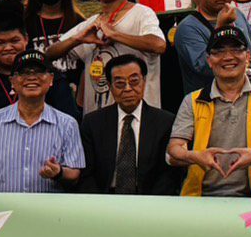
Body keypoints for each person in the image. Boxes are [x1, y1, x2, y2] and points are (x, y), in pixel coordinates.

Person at [169, 26, 251, 198]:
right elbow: (174, 148)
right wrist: (195, 156)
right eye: (219, 51)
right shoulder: (193, 100)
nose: (228, 57)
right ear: (209, 60)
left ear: (247, 56)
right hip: (201, 198)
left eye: (235, 50)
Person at [46, 0, 166, 112]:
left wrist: (115, 34)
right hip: (97, 121)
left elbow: (158, 45)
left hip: (140, 119)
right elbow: (49, 54)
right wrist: (78, 39)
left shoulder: (141, 13)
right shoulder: (91, 23)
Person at [0, 52, 84, 199]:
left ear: (51, 79)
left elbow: (74, 173)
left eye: (39, 71)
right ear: (12, 81)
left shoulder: (67, 124)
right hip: (2, 211)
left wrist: (59, 172)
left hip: (50, 212)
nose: (31, 77)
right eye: (23, 72)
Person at [77, 55, 180, 195]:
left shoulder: (165, 122)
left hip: (150, 201)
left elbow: (168, 175)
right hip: (104, 200)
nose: (127, 89)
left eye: (134, 81)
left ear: (144, 81)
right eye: (119, 83)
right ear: (109, 86)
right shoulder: (93, 123)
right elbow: (86, 174)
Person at [175, 0, 251, 90]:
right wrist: (221, 27)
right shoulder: (188, 27)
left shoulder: (238, 16)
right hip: (208, 104)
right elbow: (204, 66)